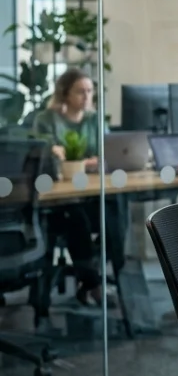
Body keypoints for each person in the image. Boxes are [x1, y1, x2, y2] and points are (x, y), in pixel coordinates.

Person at [32, 68, 124, 305]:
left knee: (114, 208)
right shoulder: (47, 120)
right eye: (80, 91)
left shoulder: (95, 119)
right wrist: (83, 161)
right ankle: (92, 283)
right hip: (56, 200)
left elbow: (107, 154)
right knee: (76, 216)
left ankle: (114, 271)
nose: (86, 96)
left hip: (89, 192)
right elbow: (44, 158)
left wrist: (81, 162)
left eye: (90, 91)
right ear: (65, 94)